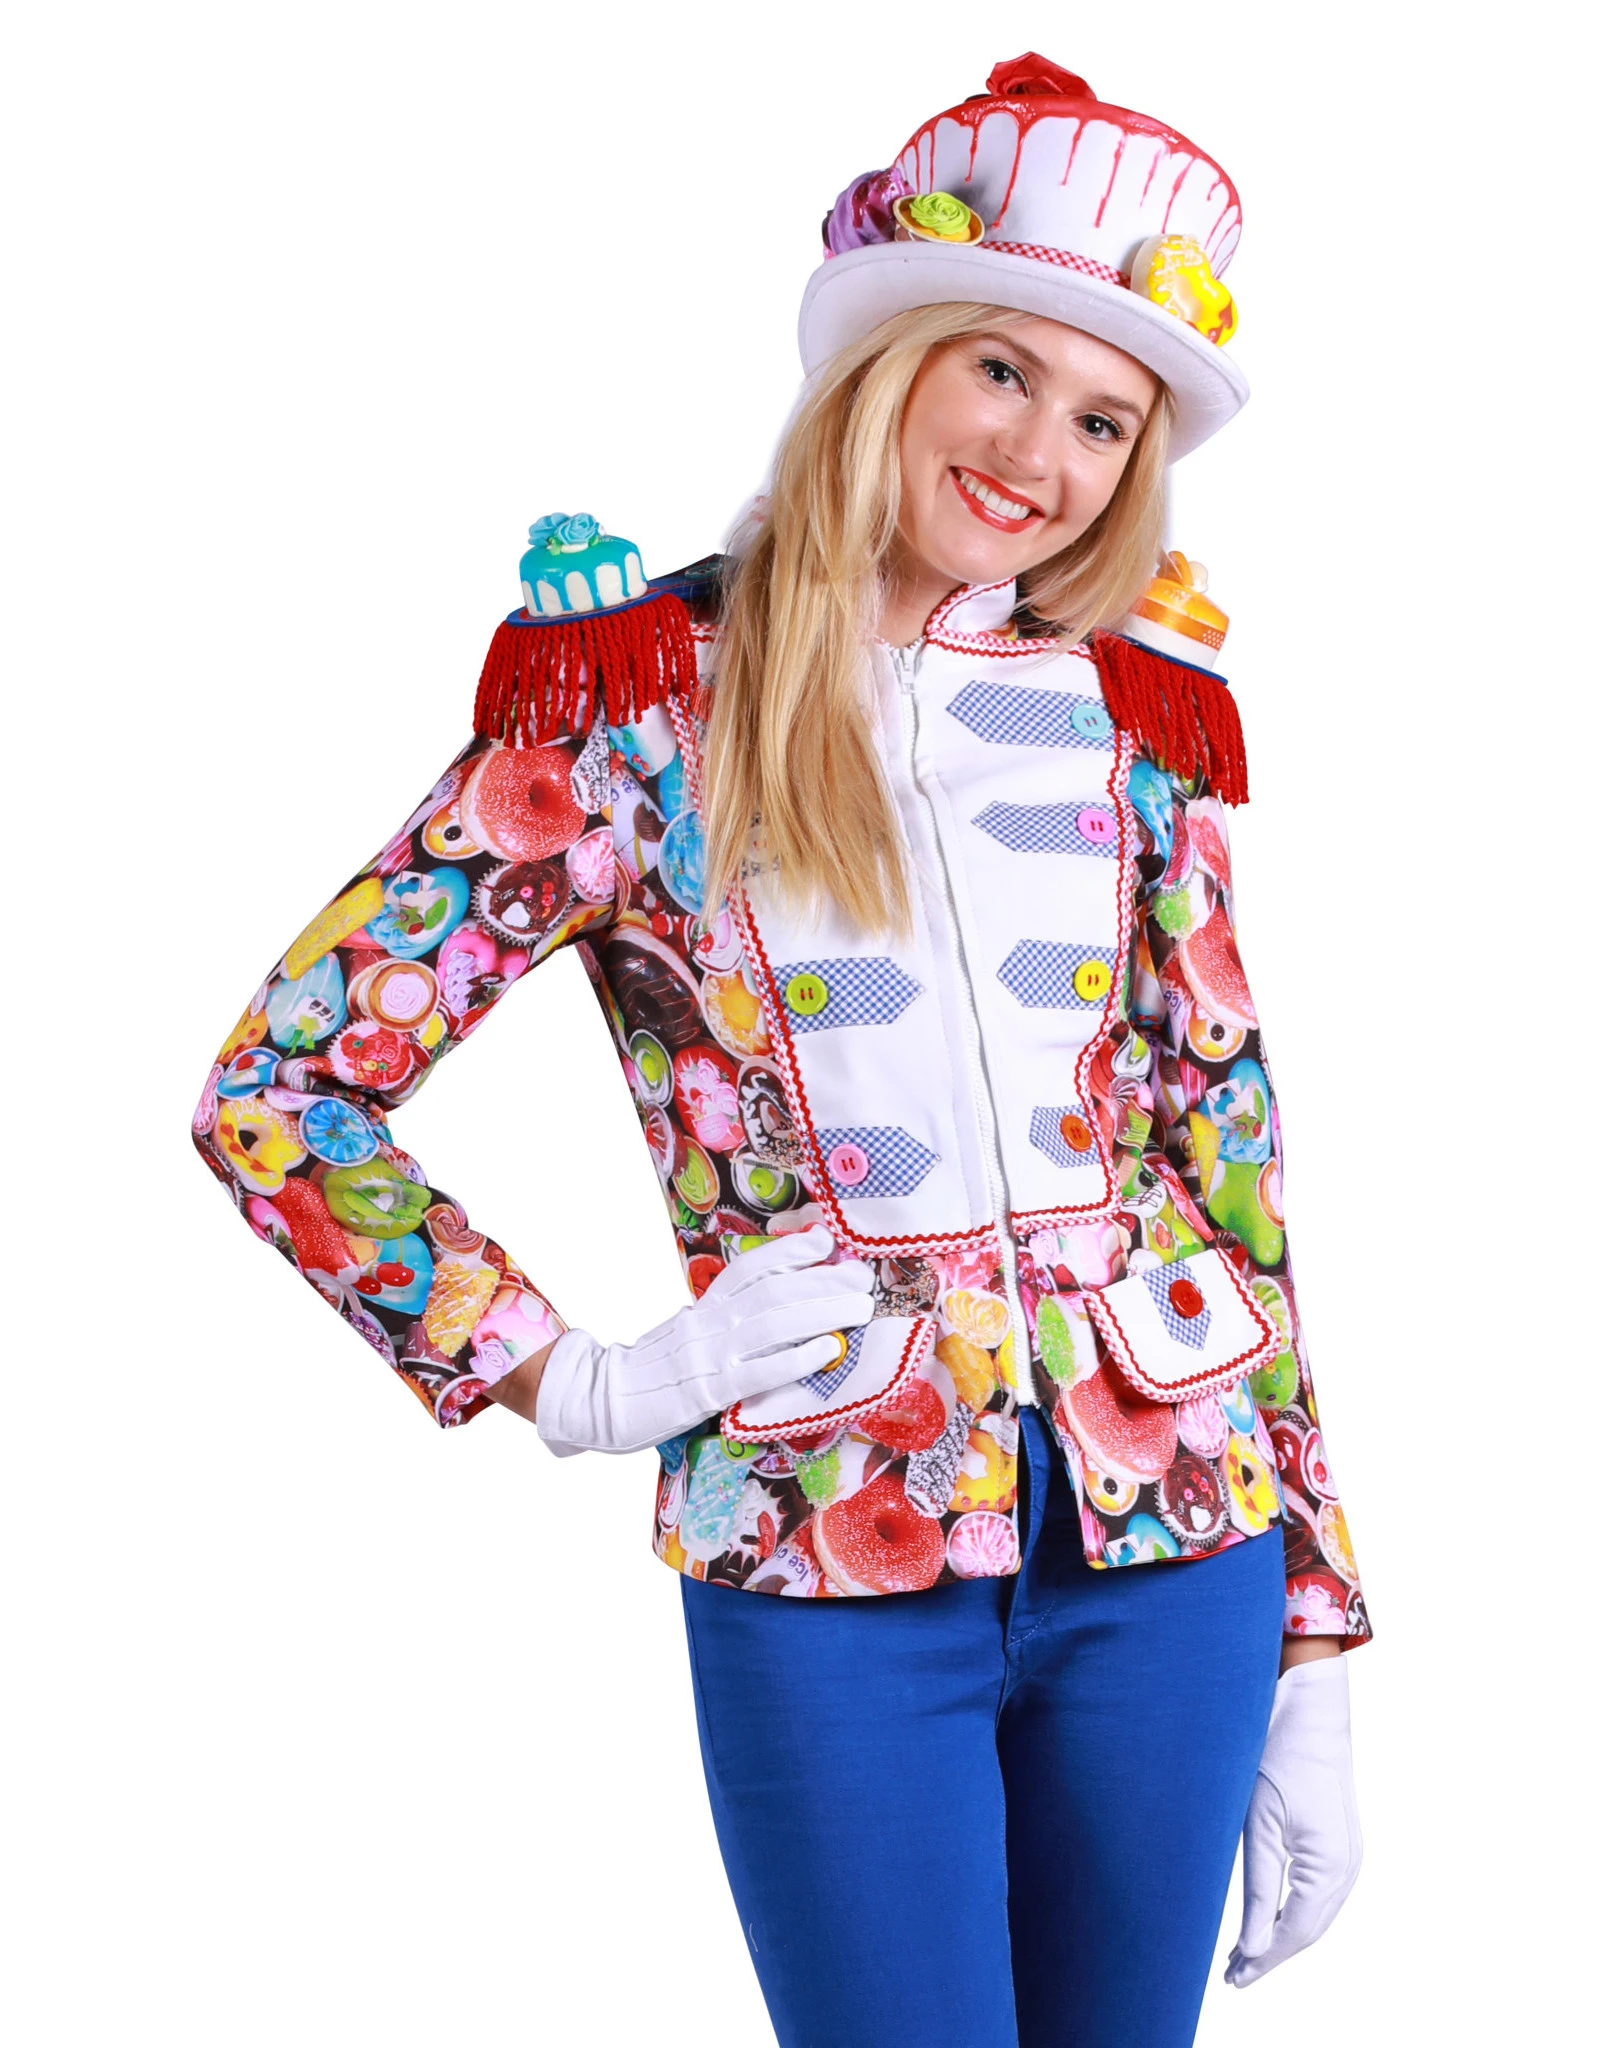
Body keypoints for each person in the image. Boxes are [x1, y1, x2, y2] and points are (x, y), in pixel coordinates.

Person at [193, 54, 1368, 2048]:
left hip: (1181, 1543)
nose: (1041, 454)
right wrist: (578, 1376)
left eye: (1104, 419)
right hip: (823, 1547)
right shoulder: (629, 709)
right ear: (887, 359)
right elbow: (283, 1091)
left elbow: (1229, 1180)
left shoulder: (1138, 723)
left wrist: (1315, 1630)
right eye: (1000, 370)